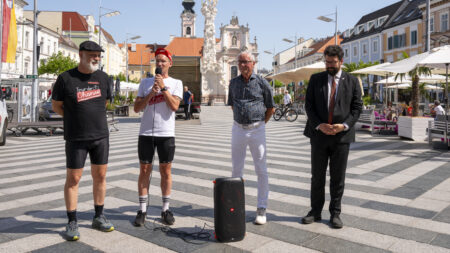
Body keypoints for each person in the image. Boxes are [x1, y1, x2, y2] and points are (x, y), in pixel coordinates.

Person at [52, 41, 114, 241]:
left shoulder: (104, 78)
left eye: (98, 55)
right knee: (74, 179)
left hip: (100, 136)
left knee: (101, 177)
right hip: (76, 137)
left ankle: (99, 216)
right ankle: (72, 220)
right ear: (81, 55)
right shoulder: (65, 78)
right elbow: (56, 106)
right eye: (93, 54)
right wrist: (74, 119)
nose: (96, 58)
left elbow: (103, 103)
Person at [302, 45, 362, 229]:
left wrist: (343, 125)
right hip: (319, 135)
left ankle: (335, 214)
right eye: (327, 62)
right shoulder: (315, 79)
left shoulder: (352, 81)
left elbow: (357, 108)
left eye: (332, 62)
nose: (329, 65)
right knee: (317, 176)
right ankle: (315, 211)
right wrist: (320, 125)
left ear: (341, 61)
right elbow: (309, 106)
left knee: (338, 178)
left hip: (341, 137)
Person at [132, 48, 182, 226]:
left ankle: (165, 209)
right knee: (144, 170)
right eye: (157, 61)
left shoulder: (177, 83)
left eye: (163, 61)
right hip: (146, 133)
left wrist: (163, 88)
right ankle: (142, 209)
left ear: (170, 63)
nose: (159, 64)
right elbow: (137, 108)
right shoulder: (145, 83)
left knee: (165, 171)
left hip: (166, 133)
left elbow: (175, 105)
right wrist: (151, 93)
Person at [228, 51, 275, 225]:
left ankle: (262, 208)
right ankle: (235, 206)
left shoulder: (262, 82)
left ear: (253, 63)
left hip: (257, 129)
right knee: (236, 170)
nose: (242, 65)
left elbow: (270, 107)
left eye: (246, 62)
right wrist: (243, 118)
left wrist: (260, 124)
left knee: (261, 169)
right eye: (240, 62)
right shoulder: (233, 83)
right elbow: (232, 105)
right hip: (238, 128)